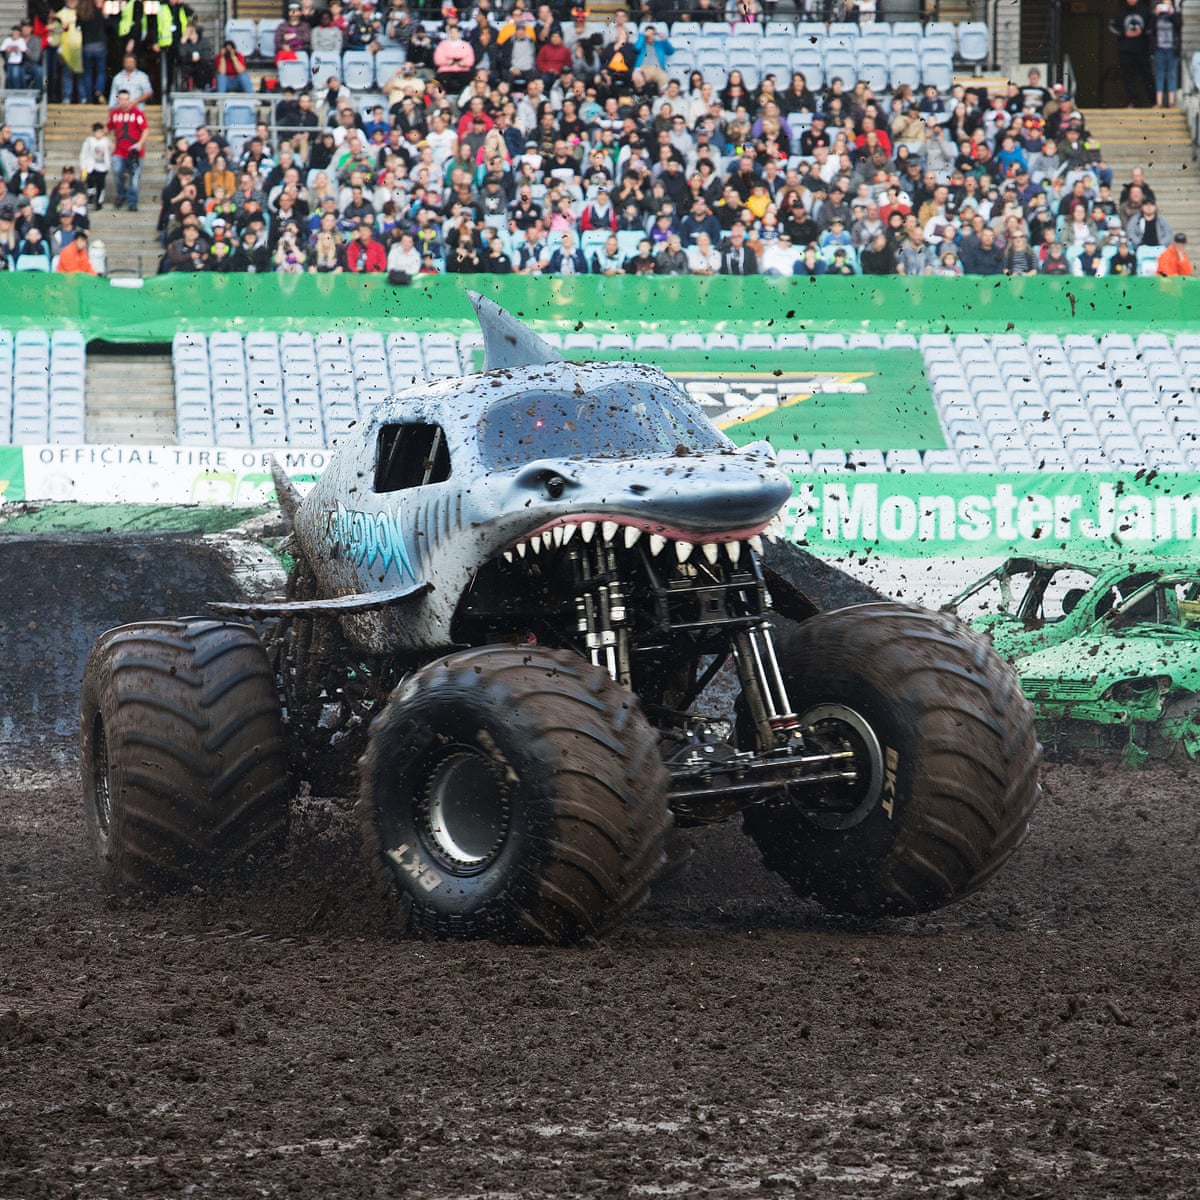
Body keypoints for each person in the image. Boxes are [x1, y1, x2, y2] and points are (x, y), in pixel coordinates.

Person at [107, 89, 148, 213]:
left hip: (135, 151)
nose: (124, 102)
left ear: (129, 99)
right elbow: (108, 128)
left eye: (126, 99)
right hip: (119, 150)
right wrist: (109, 142)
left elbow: (145, 129)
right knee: (117, 170)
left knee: (135, 177)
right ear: (118, 100)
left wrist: (140, 143)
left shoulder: (137, 113)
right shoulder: (114, 114)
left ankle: (132, 202)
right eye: (121, 99)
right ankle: (121, 195)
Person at [1110, 0, 1155, 107]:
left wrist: (1142, 32)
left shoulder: (1145, 10)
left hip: (1142, 50)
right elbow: (1112, 26)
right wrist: (1124, 33)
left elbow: (1151, 26)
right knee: (1128, 77)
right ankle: (1132, 102)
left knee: (1147, 76)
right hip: (1126, 51)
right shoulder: (1120, 12)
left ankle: (1153, 101)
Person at [1152, 1, 1182, 108]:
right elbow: (1151, 30)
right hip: (1159, 49)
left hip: (1172, 49)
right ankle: (1159, 102)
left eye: (1168, 4)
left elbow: (1179, 26)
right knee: (1160, 75)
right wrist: (1155, 15)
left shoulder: (1176, 14)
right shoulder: (1157, 16)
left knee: (1172, 75)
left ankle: (1171, 102)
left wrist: (1172, 14)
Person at [80, 122, 111, 209]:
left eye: (101, 132)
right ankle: (90, 199)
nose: (99, 134)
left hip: (102, 167)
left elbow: (108, 154)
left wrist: (108, 166)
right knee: (91, 184)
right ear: (93, 133)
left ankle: (99, 202)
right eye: (97, 132)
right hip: (91, 167)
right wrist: (83, 167)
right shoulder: (89, 141)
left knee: (101, 185)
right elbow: (84, 154)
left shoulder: (106, 141)